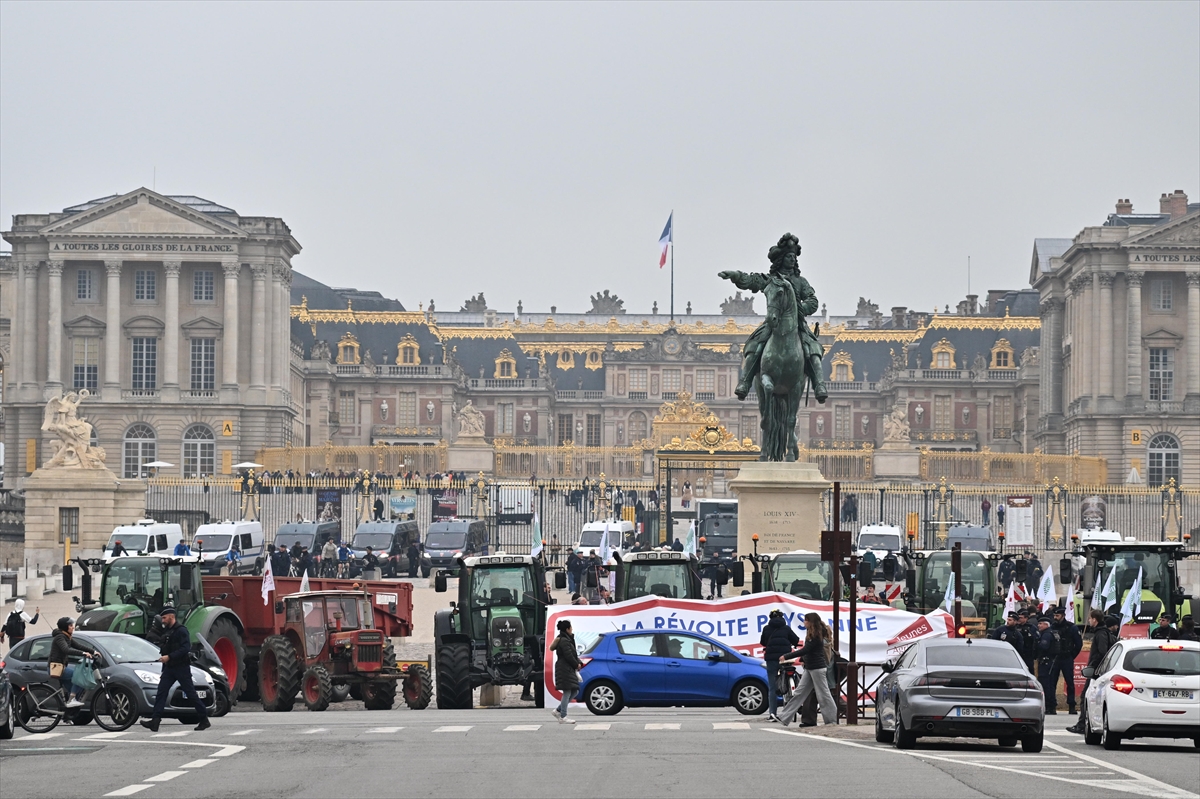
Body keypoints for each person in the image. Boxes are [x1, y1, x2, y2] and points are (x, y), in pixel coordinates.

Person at [140, 606, 210, 731]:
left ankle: (204, 719)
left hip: (181, 667)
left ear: (171, 616)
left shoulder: (181, 631)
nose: (163, 620)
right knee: (161, 693)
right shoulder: (168, 631)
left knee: (191, 694)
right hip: (169, 668)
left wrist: (169, 657)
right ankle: (155, 721)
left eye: (164, 618)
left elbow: (185, 649)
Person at [782, 613, 838, 727]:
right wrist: (802, 658)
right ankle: (784, 717)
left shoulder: (817, 634)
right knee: (799, 692)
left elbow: (806, 649)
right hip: (810, 667)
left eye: (806, 620)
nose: (804, 622)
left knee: (823, 695)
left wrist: (786, 656)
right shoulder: (811, 632)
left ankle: (832, 720)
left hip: (817, 668)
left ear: (811, 622)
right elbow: (808, 651)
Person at [1067, 610, 1117, 734]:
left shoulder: (1101, 633)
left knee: (1086, 696)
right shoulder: (1103, 632)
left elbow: (1102, 652)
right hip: (1098, 671)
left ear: (1095, 619)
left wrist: (1093, 666)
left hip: (1096, 672)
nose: (1089, 621)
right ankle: (1083, 723)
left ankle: (1082, 724)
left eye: (1090, 618)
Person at [759, 609, 800, 722]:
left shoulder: (766, 628)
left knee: (772, 687)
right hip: (785, 658)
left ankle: (772, 713)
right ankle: (790, 700)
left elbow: (763, 642)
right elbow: (795, 640)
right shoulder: (786, 628)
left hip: (771, 659)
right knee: (790, 676)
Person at [48, 617, 94, 708]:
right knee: (78, 676)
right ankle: (71, 700)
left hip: (62, 667)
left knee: (76, 689)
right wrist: (83, 653)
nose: (73, 627)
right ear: (65, 627)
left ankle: (69, 710)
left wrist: (93, 652)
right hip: (56, 668)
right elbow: (66, 650)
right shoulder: (60, 637)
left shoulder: (67, 637)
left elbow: (78, 646)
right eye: (70, 625)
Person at [1050, 606, 1082, 714]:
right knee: (1052, 682)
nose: (1055, 617)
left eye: (1057, 615)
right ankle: (1052, 705)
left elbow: (1078, 644)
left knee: (1070, 682)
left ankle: (1071, 705)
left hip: (1067, 658)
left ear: (1063, 615)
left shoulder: (1071, 627)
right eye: (1054, 615)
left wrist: (1071, 656)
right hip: (1055, 658)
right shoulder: (1052, 627)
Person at [550, 619, 581, 724]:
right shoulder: (564, 641)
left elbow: (573, 654)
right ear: (567, 629)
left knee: (575, 691)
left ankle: (558, 710)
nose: (572, 629)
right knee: (567, 691)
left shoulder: (567, 639)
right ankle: (563, 716)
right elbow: (569, 656)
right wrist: (576, 664)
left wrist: (579, 662)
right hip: (564, 668)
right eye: (570, 627)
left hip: (567, 668)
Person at [1035, 616, 1061, 715]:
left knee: (1046, 684)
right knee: (1051, 684)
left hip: (1046, 663)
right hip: (1052, 663)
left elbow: (1043, 647)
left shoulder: (1046, 635)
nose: (1039, 625)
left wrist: (1037, 643)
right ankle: (1051, 706)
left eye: (1041, 623)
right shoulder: (1052, 633)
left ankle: (1049, 706)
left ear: (1046, 624)